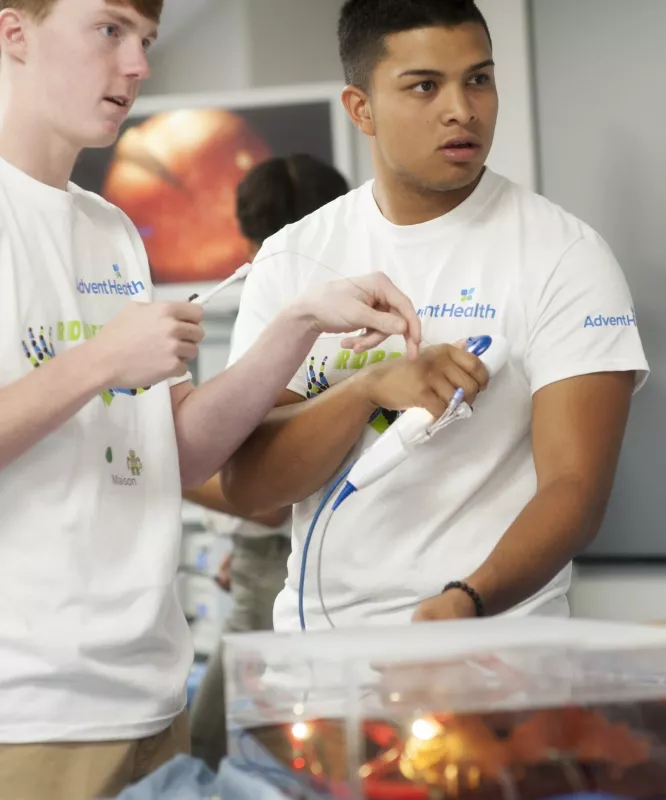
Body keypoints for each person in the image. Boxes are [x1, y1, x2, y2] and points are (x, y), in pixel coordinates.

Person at [0, 1, 420, 798]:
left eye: (147, 40)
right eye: (110, 30)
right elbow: (100, 374)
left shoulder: (113, 231)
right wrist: (100, 361)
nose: (138, 66)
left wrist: (298, 322)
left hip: (149, 701)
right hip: (26, 715)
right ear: (14, 32)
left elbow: (181, 449)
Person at [222, 0, 650, 633]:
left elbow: (575, 489)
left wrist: (465, 602)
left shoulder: (564, 255)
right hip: (321, 656)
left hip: (495, 646)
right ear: (360, 108)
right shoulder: (294, 257)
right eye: (425, 85)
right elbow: (250, 487)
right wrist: (367, 389)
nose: (463, 109)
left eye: (478, 78)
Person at [186, 154, 350, 771]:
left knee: (211, 750)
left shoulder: (310, 331)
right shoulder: (350, 318)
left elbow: (267, 496)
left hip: (285, 566)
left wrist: (164, 472)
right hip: (273, 557)